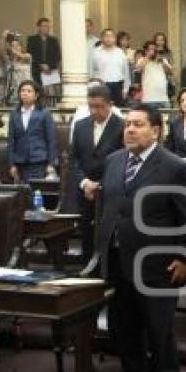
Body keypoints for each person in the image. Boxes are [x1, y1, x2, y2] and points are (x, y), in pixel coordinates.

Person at [99, 103, 186, 372]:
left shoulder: (173, 166)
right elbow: (109, 207)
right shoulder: (113, 161)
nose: (129, 129)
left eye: (138, 124)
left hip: (157, 263)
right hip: (117, 259)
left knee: (159, 329)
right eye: (127, 123)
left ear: (155, 130)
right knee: (123, 326)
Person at [70, 84, 124, 265]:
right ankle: (87, 274)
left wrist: (100, 184)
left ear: (110, 105)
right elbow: (73, 160)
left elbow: (123, 162)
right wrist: (85, 182)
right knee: (86, 233)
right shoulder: (80, 126)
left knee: (107, 235)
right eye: (91, 106)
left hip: (110, 192)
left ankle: (107, 274)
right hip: (84, 190)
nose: (94, 111)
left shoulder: (122, 126)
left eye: (99, 106)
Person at [6, 80, 57, 182]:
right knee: (21, 195)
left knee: (36, 194)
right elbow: (11, 141)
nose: (25, 93)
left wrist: (51, 164)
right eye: (23, 90)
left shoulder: (44, 113)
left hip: (38, 161)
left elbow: (51, 140)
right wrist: (11, 164)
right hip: (19, 162)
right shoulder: (14, 114)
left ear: (36, 95)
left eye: (29, 91)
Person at [90, 29, 130, 105]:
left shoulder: (120, 52)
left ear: (115, 39)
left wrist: (125, 89)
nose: (109, 38)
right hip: (101, 86)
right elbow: (91, 71)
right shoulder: (95, 52)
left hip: (117, 86)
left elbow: (126, 72)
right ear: (101, 38)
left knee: (117, 110)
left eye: (111, 36)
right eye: (106, 36)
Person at [25, 17, 61, 91]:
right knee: (37, 91)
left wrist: (49, 66)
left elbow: (58, 56)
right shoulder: (31, 39)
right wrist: (41, 65)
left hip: (51, 72)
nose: (46, 28)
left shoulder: (54, 40)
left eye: (48, 26)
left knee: (51, 94)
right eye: (44, 26)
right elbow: (30, 55)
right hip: (36, 71)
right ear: (38, 27)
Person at [136, 40, 172, 108]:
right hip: (149, 99)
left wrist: (162, 62)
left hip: (163, 98)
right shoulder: (142, 60)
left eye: (154, 49)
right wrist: (148, 57)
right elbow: (138, 69)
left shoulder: (162, 60)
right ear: (146, 51)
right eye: (151, 49)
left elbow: (171, 72)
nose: (153, 51)